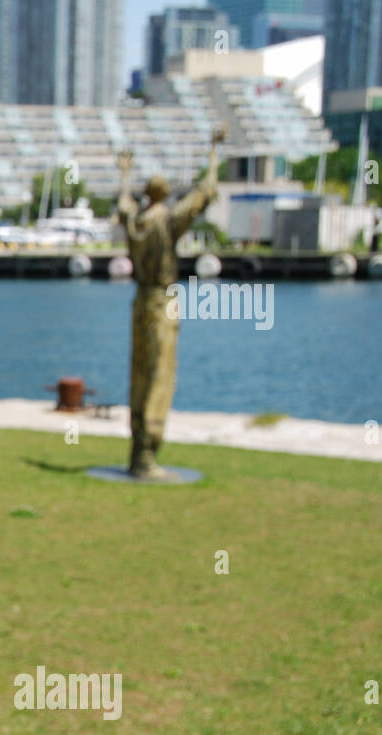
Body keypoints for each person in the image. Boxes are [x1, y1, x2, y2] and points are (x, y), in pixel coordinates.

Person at [116, 128, 225, 479]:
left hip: (139, 301)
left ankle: (136, 452)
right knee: (160, 374)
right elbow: (205, 192)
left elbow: (123, 206)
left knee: (140, 372)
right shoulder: (167, 220)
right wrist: (212, 151)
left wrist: (124, 174)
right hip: (162, 299)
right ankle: (147, 455)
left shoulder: (137, 221)